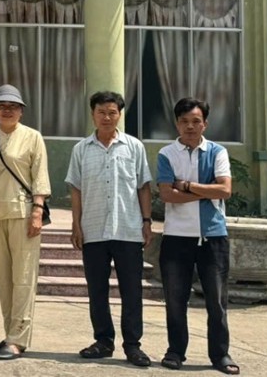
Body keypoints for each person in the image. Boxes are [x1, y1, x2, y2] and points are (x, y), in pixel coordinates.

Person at [66, 91, 153, 368]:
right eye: (101, 112)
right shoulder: (81, 149)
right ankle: (103, 341)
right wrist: (76, 224)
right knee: (97, 290)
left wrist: (147, 221)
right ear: (93, 114)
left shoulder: (134, 147)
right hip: (93, 230)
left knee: (132, 291)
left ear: (119, 115)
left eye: (112, 112)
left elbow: (143, 186)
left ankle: (133, 345)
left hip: (128, 229)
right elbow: (76, 189)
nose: (106, 117)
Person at [156, 98, 238, 375]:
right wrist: (205, 191)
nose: (190, 126)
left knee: (217, 302)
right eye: (184, 121)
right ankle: (175, 352)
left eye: (196, 121)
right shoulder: (167, 154)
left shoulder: (217, 152)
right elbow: (167, 195)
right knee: (175, 300)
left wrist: (187, 186)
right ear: (176, 123)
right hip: (176, 237)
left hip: (213, 237)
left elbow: (225, 190)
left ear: (205, 123)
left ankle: (220, 355)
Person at [0, 84, 50, 361]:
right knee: (4, 278)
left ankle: (18, 339)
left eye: (12, 106)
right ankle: (10, 332)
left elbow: (40, 176)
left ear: (21, 111)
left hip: (23, 213)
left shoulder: (32, 137)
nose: (7, 110)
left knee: (23, 278)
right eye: (1, 106)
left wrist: (38, 211)